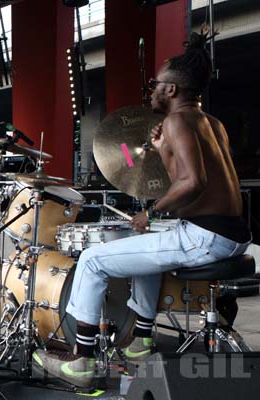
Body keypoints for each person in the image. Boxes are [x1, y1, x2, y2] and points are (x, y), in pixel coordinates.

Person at [39, 32, 252, 387]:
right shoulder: (211, 123)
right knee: (148, 253)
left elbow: (193, 182)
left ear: (170, 90)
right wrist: (163, 149)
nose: (151, 90)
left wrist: (150, 213)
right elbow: (198, 181)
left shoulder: (177, 121)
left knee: (92, 260)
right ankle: (141, 340)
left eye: (155, 84)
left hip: (206, 236)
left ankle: (82, 361)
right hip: (233, 234)